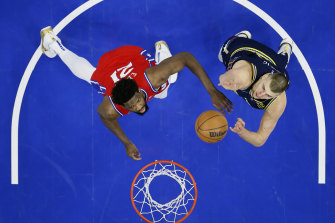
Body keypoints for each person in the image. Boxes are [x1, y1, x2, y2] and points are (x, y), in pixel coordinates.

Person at [40, 26, 233, 160]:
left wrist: (212, 91)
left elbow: (186, 57)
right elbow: (104, 116)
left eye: (138, 100)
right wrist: (126, 142)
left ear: (140, 91)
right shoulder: (110, 107)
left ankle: (161, 53)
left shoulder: (152, 78)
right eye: (131, 106)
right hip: (107, 66)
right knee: (91, 77)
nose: (139, 107)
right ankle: (53, 43)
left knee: (167, 82)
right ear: (120, 105)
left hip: (130, 54)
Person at [217, 31, 293, 147]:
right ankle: (241, 37)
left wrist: (242, 132)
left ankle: (284, 54)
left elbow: (260, 140)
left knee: (282, 71)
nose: (260, 94)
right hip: (245, 49)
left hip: (273, 63)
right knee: (223, 55)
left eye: (268, 95)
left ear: (275, 96)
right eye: (263, 87)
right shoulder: (243, 77)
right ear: (264, 76)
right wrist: (227, 80)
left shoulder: (277, 103)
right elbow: (223, 78)